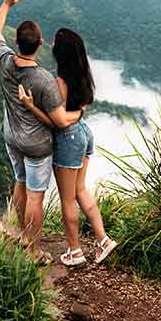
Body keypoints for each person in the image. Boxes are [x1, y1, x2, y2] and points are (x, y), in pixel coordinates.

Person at [0, 0, 81, 260]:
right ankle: (33, 249)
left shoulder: (4, 61)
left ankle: (22, 235)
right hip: (36, 145)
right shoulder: (43, 80)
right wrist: (79, 114)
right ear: (40, 43)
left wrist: (6, 3)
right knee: (35, 196)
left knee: (19, 182)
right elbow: (61, 121)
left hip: (11, 137)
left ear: (16, 41)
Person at [18, 28, 118, 267]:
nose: (50, 44)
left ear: (60, 52)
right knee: (81, 189)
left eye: (54, 42)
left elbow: (57, 121)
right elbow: (82, 107)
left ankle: (75, 251)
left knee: (67, 199)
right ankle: (103, 240)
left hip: (68, 140)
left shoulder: (60, 82)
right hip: (84, 133)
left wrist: (30, 106)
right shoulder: (84, 75)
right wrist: (78, 114)